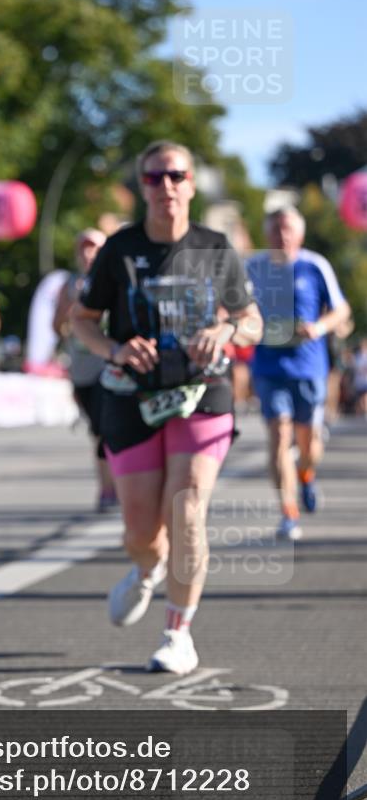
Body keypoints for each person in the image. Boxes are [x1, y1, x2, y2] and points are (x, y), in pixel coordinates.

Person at [71, 140, 262, 676]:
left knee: (187, 509)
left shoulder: (216, 247)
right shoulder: (119, 249)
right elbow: (82, 319)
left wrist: (224, 330)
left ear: (192, 185)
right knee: (141, 533)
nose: (166, 187)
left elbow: (253, 321)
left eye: (176, 176)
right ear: (142, 187)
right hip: (133, 398)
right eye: (154, 178)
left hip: (202, 394)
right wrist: (114, 348)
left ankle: (178, 631)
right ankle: (146, 572)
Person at [246, 206, 351, 540]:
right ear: (266, 233)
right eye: (276, 228)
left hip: (308, 366)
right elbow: (233, 308)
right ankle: (288, 513)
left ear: (299, 233)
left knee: (308, 445)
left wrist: (318, 327)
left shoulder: (314, 265)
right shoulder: (253, 267)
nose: (282, 234)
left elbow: (341, 309)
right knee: (278, 437)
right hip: (268, 365)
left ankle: (306, 474)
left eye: (288, 228)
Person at [53, 228, 117, 512]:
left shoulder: (114, 278)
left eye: (94, 248)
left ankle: (112, 488)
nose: (88, 253)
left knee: (108, 428)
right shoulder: (69, 284)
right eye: (83, 248)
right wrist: (73, 306)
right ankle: (107, 487)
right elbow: (57, 326)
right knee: (97, 430)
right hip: (82, 368)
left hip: (110, 364)